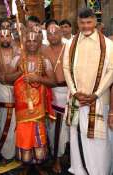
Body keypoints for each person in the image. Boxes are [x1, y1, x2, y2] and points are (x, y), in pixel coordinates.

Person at [63, 8, 113, 175]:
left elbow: (111, 72)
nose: (85, 26)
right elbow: (66, 69)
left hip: (98, 102)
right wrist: (75, 91)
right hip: (77, 100)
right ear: (78, 23)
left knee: (98, 142)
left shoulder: (108, 45)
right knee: (77, 140)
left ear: (95, 23)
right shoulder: (70, 44)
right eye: (82, 23)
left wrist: (96, 94)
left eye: (89, 22)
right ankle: (80, 171)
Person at [14, 30, 56, 175]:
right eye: (28, 41)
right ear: (24, 43)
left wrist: (37, 79)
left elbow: (53, 81)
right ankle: (25, 164)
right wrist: (20, 73)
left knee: (38, 135)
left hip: (38, 106)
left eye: (34, 41)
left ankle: (39, 164)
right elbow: (6, 78)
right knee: (24, 135)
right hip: (22, 106)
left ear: (39, 43)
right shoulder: (18, 59)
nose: (31, 43)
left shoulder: (44, 61)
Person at [0, 29, 20, 162]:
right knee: (3, 117)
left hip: (17, 87)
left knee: (16, 120)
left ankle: (14, 151)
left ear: (11, 37)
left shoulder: (19, 51)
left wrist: (9, 78)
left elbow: (22, 70)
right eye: (2, 36)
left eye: (7, 36)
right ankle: (3, 151)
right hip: (0, 88)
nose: (5, 39)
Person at [43, 24, 69, 174]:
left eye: (55, 33)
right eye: (50, 34)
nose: (53, 36)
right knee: (54, 128)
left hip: (69, 92)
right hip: (51, 92)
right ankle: (56, 159)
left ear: (61, 33)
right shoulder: (43, 51)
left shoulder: (69, 48)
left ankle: (72, 156)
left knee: (70, 126)